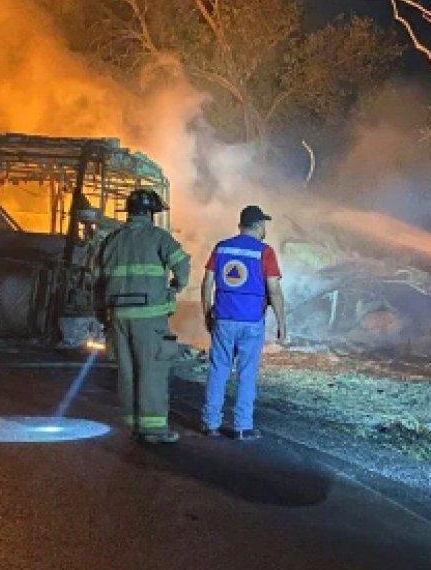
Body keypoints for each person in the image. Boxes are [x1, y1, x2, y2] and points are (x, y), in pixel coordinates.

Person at [94, 189, 190, 444]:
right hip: (149, 319)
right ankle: (154, 430)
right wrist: (175, 286)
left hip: (118, 318)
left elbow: (96, 280)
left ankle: (134, 424)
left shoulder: (111, 240)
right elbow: (182, 264)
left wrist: (103, 315)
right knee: (151, 371)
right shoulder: (159, 237)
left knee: (127, 372)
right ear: (150, 213)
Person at [200, 205, 287, 439]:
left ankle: (210, 424)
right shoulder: (265, 252)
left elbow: (207, 282)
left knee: (218, 370)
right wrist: (282, 323)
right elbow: (274, 290)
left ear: (241, 226)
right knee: (246, 374)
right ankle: (242, 427)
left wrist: (207, 312)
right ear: (258, 226)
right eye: (264, 225)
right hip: (251, 322)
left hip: (224, 319)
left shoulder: (222, 247)